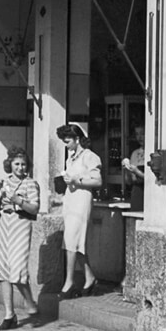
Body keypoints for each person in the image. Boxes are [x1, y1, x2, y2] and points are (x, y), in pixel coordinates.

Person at [0, 147, 40, 331]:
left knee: (17, 269)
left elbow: (34, 209)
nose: (20, 167)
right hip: (5, 223)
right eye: (17, 164)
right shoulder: (4, 182)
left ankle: (31, 305)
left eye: (23, 164)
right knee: (3, 269)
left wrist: (18, 201)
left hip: (21, 224)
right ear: (10, 164)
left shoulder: (31, 184)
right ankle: (9, 315)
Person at [55, 123, 102, 299]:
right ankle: (90, 278)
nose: (65, 145)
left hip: (82, 201)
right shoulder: (71, 158)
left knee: (71, 240)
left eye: (67, 141)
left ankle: (69, 282)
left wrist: (77, 179)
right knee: (75, 241)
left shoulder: (90, 157)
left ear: (76, 139)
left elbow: (97, 181)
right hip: (71, 200)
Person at [122, 124, 145, 211]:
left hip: (148, 194)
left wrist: (137, 172)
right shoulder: (135, 153)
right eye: (137, 134)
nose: (140, 137)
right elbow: (129, 181)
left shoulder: (152, 152)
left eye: (142, 134)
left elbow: (152, 180)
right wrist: (127, 170)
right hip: (136, 193)